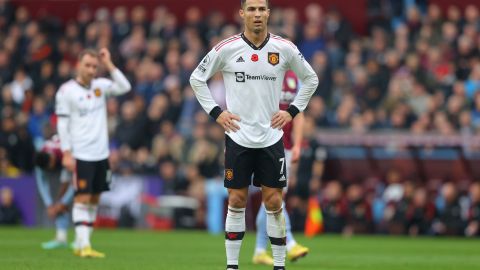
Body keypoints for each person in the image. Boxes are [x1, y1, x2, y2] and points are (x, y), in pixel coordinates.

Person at [190, 0, 318, 269]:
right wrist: (217, 113)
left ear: (268, 13)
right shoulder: (227, 48)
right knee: (236, 200)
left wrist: (292, 111)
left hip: (272, 138)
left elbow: (311, 79)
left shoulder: (284, 48)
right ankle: (232, 266)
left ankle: (279, 265)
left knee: (274, 201)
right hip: (238, 137)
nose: (257, 14)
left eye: (261, 9)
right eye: (252, 9)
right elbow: (196, 78)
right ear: (242, 14)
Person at [55, 48, 131, 258]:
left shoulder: (101, 86)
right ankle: (84, 244)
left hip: (101, 154)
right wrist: (67, 153)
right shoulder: (66, 91)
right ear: (78, 65)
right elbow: (62, 124)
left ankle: (81, 244)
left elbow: (125, 86)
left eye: (94, 66)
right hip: (81, 154)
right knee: (83, 197)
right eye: (87, 65)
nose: (91, 70)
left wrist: (109, 64)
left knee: (95, 199)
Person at [252, 71, 309, 265]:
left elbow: (299, 114)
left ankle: (259, 250)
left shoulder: (295, 79)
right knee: (273, 196)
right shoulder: (262, 73)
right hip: (264, 144)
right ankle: (290, 242)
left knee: (270, 200)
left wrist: (298, 144)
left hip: (284, 147)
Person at [34, 134, 74, 249]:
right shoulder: (41, 154)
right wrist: (49, 204)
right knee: (59, 201)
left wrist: (64, 202)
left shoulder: (65, 153)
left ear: (52, 159)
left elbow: (76, 180)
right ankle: (61, 238)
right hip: (66, 163)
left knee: (80, 197)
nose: (49, 171)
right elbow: (41, 182)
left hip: (79, 157)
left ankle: (81, 240)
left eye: (49, 167)